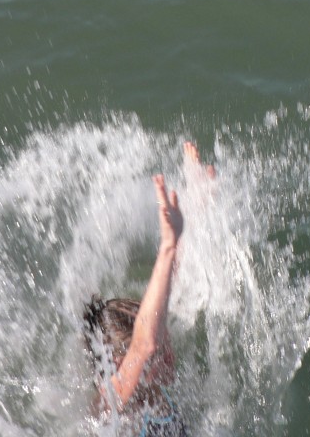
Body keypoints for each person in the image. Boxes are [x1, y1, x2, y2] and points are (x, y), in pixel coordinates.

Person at [82, 143, 212, 437]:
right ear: (119, 363)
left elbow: (166, 292)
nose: (168, 358)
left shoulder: (152, 390)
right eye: (157, 355)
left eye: (163, 347)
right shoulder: (109, 405)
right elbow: (145, 343)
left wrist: (196, 207)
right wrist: (167, 244)